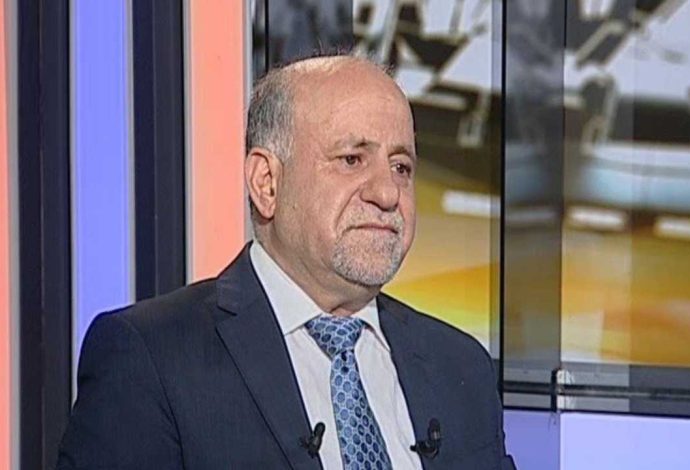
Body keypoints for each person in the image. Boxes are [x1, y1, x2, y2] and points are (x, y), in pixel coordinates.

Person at [57, 54, 515, 470]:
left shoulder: (461, 367)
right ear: (267, 183)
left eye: (401, 167)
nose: (387, 193)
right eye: (352, 159)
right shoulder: (150, 358)